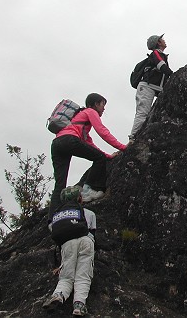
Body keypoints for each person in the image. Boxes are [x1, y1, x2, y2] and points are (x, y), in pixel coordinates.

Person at [49, 93, 127, 220]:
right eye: (102, 104)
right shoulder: (90, 111)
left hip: (57, 144)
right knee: (99, 158)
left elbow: (90, 144)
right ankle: (88, 191)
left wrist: (107, 156)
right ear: (95, 104)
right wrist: (123, 147)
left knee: (60, 184)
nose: (104, 108)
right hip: (70, 140)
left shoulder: (79, 123)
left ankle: (52, 220)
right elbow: (102, 131)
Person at [43, 186, 96, 316]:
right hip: (85, 241)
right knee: (83, 276)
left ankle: (58, 295)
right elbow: (93, 233)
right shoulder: (89, 213)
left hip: (67, 244)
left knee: (66, 277)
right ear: (79, 198)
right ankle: (79, 305)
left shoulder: (57, 216)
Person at [129, 34, 173, 140]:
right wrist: (175, 75)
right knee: (143, 112)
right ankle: (133, 137)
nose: (164, 40)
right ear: (158, 42)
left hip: (154, 87)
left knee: (148, 113)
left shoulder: (160, 54)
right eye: (161, 39)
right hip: (147, 86)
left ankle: (140, 136)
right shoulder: (156, 53)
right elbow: (161, 66)